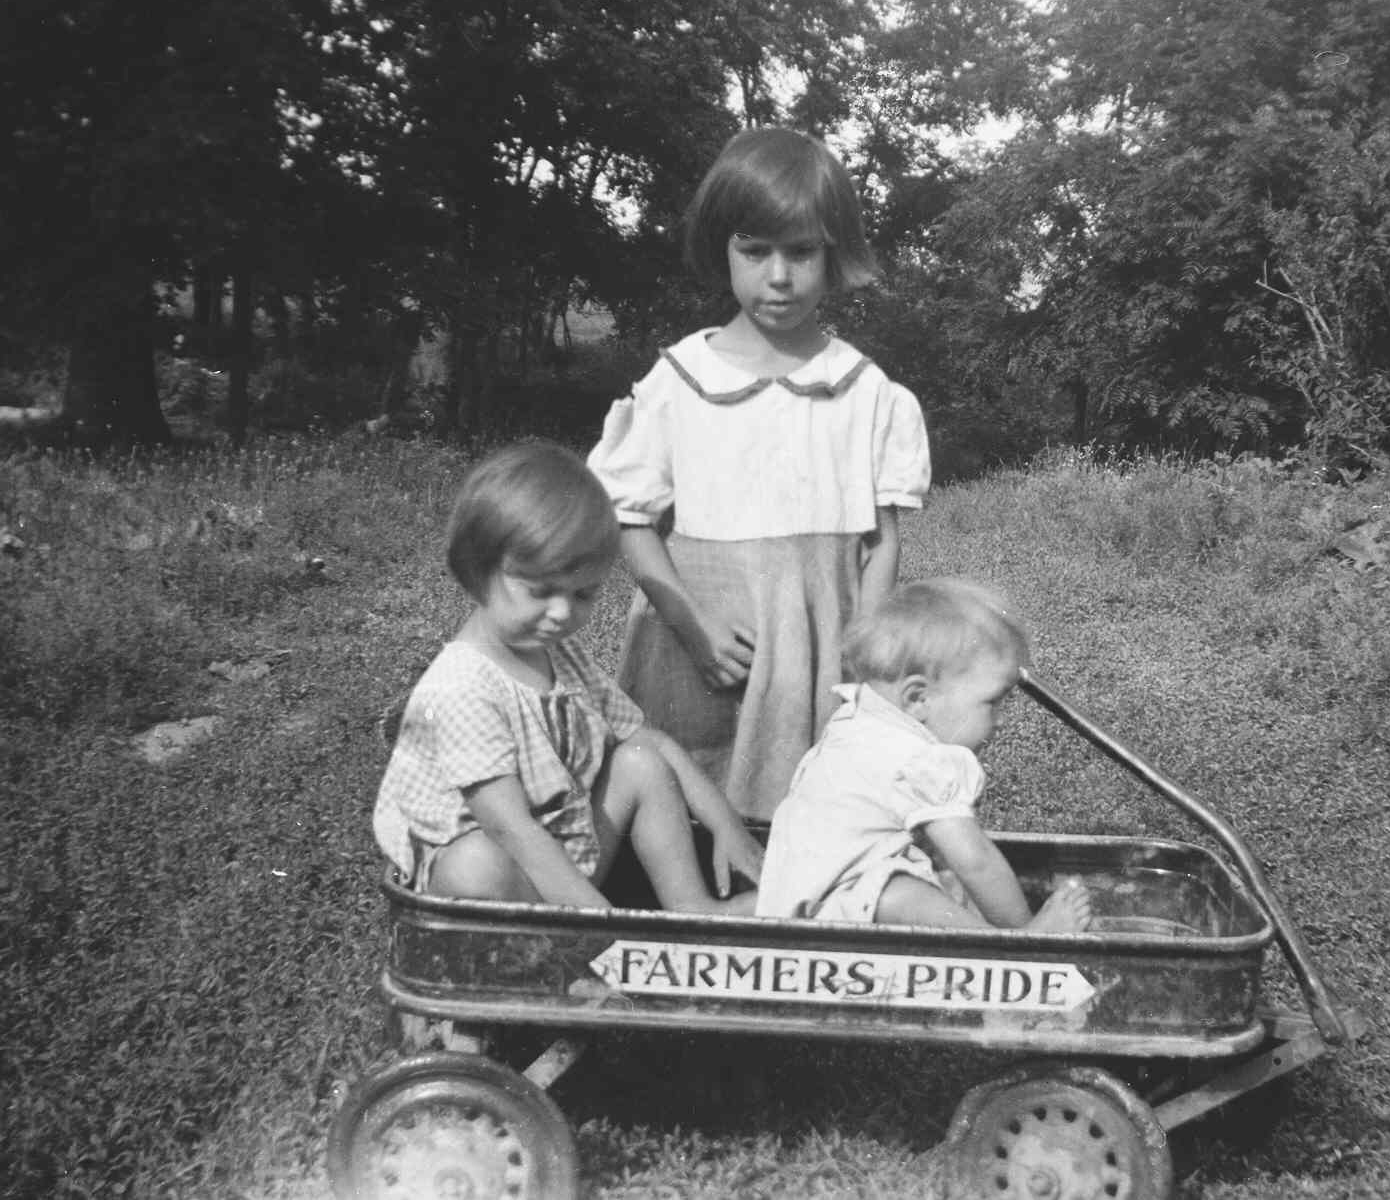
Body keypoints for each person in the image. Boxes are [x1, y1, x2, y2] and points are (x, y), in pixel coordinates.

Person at [588, 126, 931, 821]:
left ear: (833, 254)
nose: (778, 276)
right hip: (702, 648)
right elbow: (630, 519)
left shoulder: (861, 389)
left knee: (814, 812)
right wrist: (693, 626)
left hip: (818, 653)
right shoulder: (682, 379)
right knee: (685, 809)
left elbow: (879, 542)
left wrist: (862, 659)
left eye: (800, 252)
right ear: (724, 248)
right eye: (755, 250)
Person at [372, 441, 763, 914]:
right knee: (472, 863)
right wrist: (606, 933)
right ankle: (579, 949)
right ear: (477, 571)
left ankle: (693, 910)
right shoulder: (463, 689)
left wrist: (726, 824)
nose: (561, 613)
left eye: (583, 595)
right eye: (541, 591)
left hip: (567, 860)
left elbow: (649, 740)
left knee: (640, 761)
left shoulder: (558, 653)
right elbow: (512, 830)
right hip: (502, 890)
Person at [755, 578, 1092, 932]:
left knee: (921, 880)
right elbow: (976, 861)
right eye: (992, 702)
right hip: (831, 917)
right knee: (901, 896)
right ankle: (1015, 948)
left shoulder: (859, 718)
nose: (1002, 720)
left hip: (794, 900)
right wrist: (1027, 929)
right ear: (918, 699)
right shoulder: (918, 761)